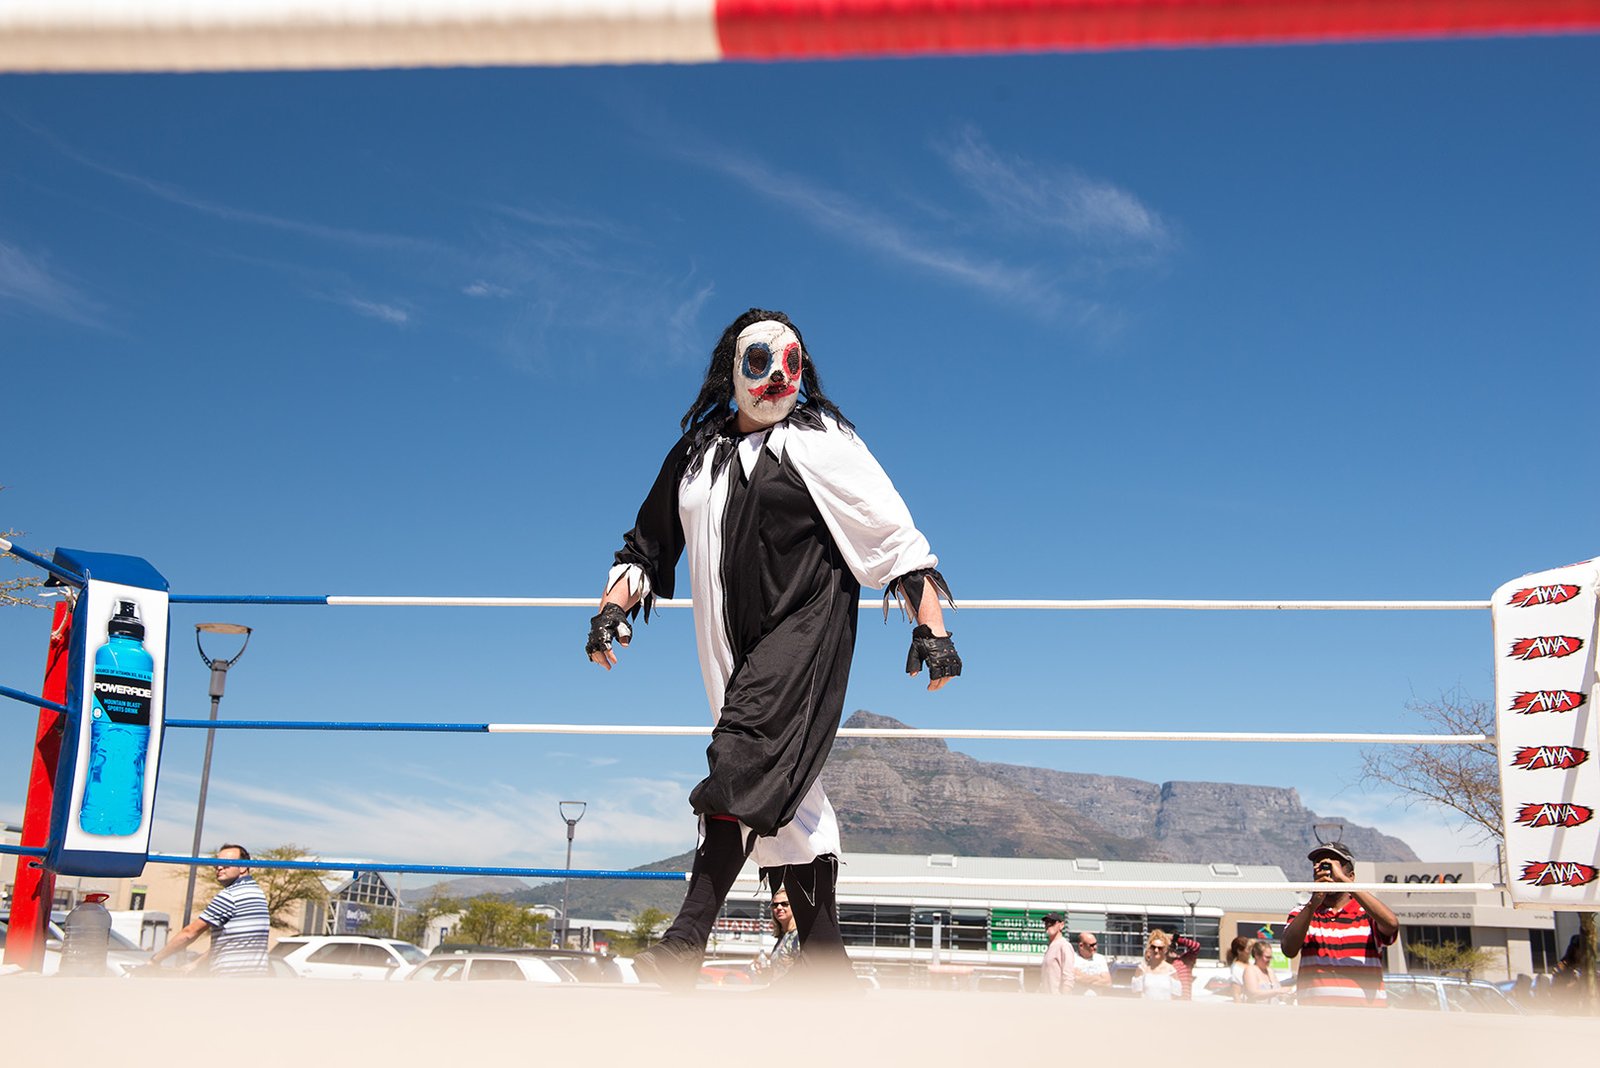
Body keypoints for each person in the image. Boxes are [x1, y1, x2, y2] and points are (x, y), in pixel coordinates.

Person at [586, 308, 961, 990]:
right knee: (792, 805)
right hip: (730, 653)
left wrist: (932, 628)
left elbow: (893, 537)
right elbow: (646, 544)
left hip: (806, 635)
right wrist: (611, 613)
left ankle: (684, 944)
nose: (777, 379)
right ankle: (827, 977)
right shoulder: (696, 455)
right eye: (759, 364)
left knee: (741, 758)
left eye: (791, 365)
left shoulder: (823, 440)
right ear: (733, 369)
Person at [1281, 841, 1398, 1007]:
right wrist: (1313, 904)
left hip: (1366, 1018)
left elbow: (1391, 924)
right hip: (1316, 1017)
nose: (1327, 872)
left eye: (1333, 866)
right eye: (1320, 866)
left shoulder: (1367, 913)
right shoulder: (1303, 912)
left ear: (1351, 876)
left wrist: (1342, 881)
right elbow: (1288, 949)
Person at [146, 844, 270, 977]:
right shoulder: (257, 894)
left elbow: (189, 933)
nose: (219, 867)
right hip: (255, 978)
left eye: (226, 863)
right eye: (216, 864)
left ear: (243, 866)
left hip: (230, 980)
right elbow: (234, 942)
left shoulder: (230, 895)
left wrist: (155, 960)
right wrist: (196, 964)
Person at [752, 888, 800, 981]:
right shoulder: (783, 937)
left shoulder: (797, 937)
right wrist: (766, 973)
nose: (779, 907)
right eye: (775, 905)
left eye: (784, 904)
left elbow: (802, 970)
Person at [1131, 929, 1179, 1000]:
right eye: (1153, 947)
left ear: (1165, 950)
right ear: (1149, 948)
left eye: (1160, 948)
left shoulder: (1171, 971)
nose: (1156, 950)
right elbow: (1135, 995)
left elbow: (1176, 996)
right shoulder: (1142, 968)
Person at [1039, 913, 1074, 995]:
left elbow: (1068, 977)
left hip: (1057, 1000)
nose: (1048, 924)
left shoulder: (1064, 945)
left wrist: (1064, 1001)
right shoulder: (1051, 946)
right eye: (1046, 922)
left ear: (1061, 925)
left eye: (1052, 922)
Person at [1241, 939, 1285, 1004]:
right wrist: (1277, 991)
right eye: (1267, 957)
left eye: (1270, 957)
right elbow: (1253, 994)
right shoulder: (1250, 970)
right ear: (1257, 956)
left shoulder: (1270, 971)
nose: (1269, 960)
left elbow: (1279, 994)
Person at [1167, 934, 1201, 1000]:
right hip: (1169, 1002)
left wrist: (1178, 940)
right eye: (1168, 947)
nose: (1171, 949)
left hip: (1185, 1001)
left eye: (1173, 947)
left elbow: (1196, 946)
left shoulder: (1185, 960)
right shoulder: (1162, 965)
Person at [1224, 935, 1251, 1001]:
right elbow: (1236, 993)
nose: (1250, 951)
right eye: (1248, 949)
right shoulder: (1237, 968)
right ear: (1239, 951)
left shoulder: (1252, 963)